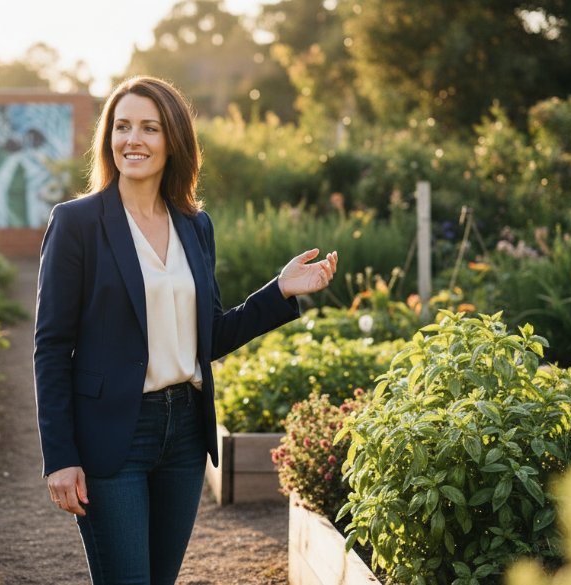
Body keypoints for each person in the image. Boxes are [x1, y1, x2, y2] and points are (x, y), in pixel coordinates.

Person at [33, 75, 338, 585]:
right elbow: (51, 348)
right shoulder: (77, 222)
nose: (134, 140)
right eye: (122, 126)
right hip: (113, 437)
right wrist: (59, 457)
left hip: (185, 436)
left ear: (173, 140)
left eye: (149, 128)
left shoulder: (195, 224)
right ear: (108, 137)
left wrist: (279, 292)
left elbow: (210, 337)